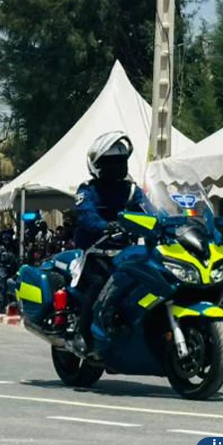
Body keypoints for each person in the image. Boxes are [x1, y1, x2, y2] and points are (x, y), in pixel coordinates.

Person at [70, 131, 145, 356]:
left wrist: (171, 222)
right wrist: (105, 225)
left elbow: (150, 210)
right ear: (97, 165)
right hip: (96, 253)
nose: (116, 167)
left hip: (127, 253)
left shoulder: (131, 190)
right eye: (110, 163)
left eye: (119, 162)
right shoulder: (87, 189)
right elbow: (86, 215)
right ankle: (80, 334)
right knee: (98, 283)